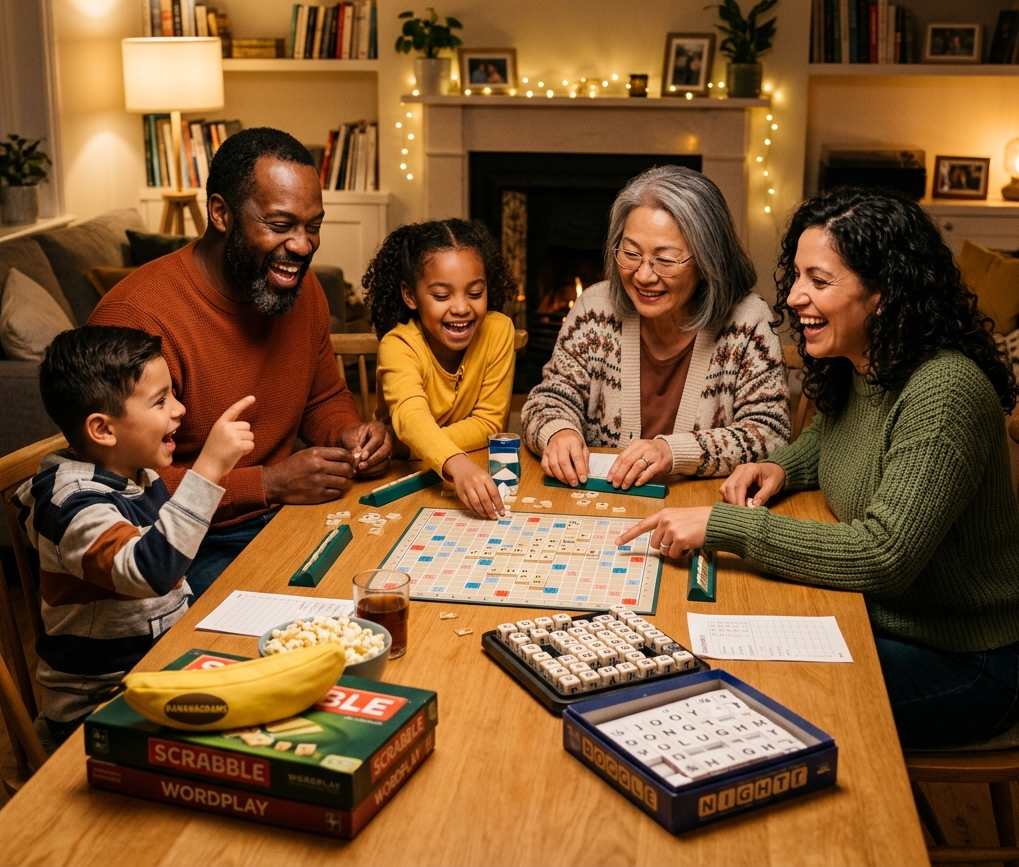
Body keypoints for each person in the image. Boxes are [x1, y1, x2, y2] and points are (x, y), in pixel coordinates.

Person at [617, 189, 1019, 749]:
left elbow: (883, 557)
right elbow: (832, 438)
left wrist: (722, 525)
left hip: (964, 658)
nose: (796, 296)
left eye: (820, 281)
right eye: (798, 275)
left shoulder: (944, 390)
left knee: (733, 691)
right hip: (882, 617)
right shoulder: (868, 364)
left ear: (884, 293)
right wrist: (778, 466)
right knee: (708, 646)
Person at [89, 127, 391, 597]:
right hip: (182, 545)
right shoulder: (136, 320)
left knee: (395, 582)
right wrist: (268, 482)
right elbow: (117, 488)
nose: (303, 245)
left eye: (313, 226)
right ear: (221, 213)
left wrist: (348, 436)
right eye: (279, 224)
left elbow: (323, 395)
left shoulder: (302, 291)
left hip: (287, 515)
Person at [13, 325, 254, 745]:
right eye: (160, 401)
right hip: (96, 708)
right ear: (104, 430)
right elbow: (150, 570)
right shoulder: (73, 505)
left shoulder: (134, 472)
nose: (179, 410)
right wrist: (208, 470)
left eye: (172, 395)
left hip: (161, 666)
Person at [522, 165, 790, 490]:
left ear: (708, 260)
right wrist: (558, 431)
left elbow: (770, 434)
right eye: (631, 254)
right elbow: (546, 400)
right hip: (600, 503)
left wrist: (672, 452)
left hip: (698, 510)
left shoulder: (748, 322)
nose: (644, 276)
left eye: (665, 260)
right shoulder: (595, 308)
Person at [363, 219, 517, 519]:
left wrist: (405, 445)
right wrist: (455, 463)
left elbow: (489, 423)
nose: (461, 308)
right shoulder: (398, 345)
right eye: (442, 296)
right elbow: (410, 418)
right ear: (410, 295)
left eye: (474, 293)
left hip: (447, 467)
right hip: (397, 478)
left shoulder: (499, 330)